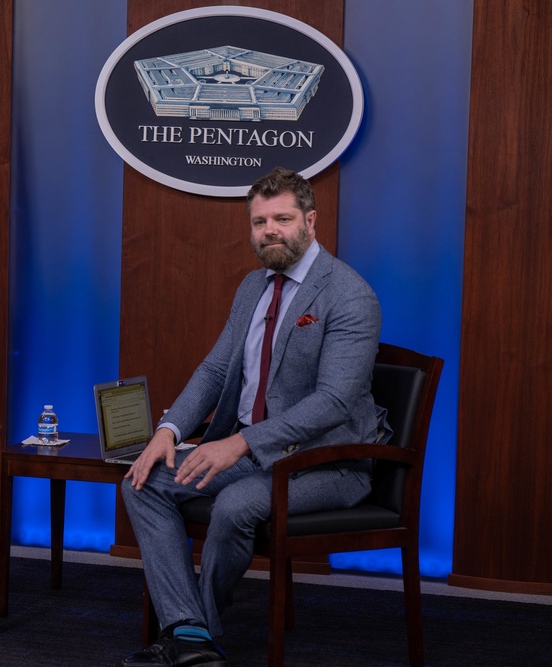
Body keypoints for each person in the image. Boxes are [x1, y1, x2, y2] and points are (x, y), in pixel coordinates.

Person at [120, 167, 385, 667]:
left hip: (327, 463)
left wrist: (239, 444)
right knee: (145, 480)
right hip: (256, 452)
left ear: (310, 221)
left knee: (236, 504)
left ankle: (195, 636)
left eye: (282, 218)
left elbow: (333, 401)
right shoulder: (252, 286)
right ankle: (189, 630)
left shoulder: (349, 294)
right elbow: (217, 367)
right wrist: (168, 431)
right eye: (261, 221)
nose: (271, 231)